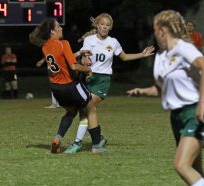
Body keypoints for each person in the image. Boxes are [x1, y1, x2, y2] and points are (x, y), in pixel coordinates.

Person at [127, 10, 204, 186]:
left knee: (181, 165)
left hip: (195, 113)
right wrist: (143, 91)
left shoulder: (183, 48)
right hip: (177, 117)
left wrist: (201, 103)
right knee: (195, 169)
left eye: (154, 29)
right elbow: (160, 89)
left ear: (162, 30)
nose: (154, 33)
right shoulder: (161, 57)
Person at [64, 13, 155, 154]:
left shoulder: (113, 42)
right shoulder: (89, 40)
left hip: (103, 81)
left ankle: (78, 143)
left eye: (107, 25)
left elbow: (124, 57)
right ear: (97, 25)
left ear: (110, 27)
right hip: (89, 78)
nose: (104, 27)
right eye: (102, 24)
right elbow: (85, 54)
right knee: (84, 112)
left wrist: (141, 54)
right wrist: (85, 59)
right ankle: (97, 139)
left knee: (88, 107)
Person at [29, 18, 107, 154]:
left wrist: (78, 53)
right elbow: (73, 66)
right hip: (70, 86)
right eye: (58, 26)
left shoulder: (45, 47)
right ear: (52, 31)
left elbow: (61, 58)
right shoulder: (63, 43)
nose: (61, 28)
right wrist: (88, 69)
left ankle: (57, 139)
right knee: (91, 109)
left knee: (71, 112)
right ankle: (97, 146)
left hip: (56, 88)